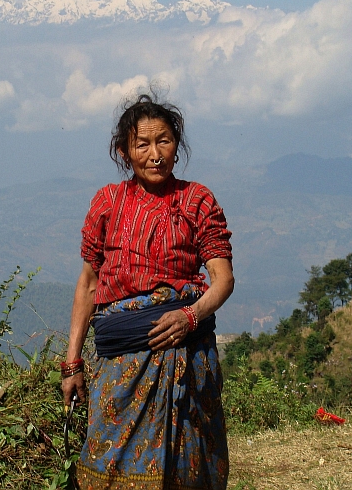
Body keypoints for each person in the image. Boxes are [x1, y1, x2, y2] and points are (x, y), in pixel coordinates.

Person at [61, 93, 234, 489]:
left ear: (178, 146)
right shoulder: (108, 203)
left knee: (187, 463)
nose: (155, 154)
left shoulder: (197, 201)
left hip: (185, 358)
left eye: (164, 141)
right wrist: (72, 363)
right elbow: (88, 285)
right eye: (143, 144)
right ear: (125, 152)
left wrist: (190, 316)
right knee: (107, 463)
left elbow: (222, 279)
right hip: (120, 367)